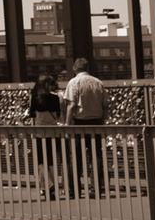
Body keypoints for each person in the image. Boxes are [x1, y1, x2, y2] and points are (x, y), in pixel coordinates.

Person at [62, 59, 107, 199]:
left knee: (75, 157)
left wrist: (67, 125)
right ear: (88, 67)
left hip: (79, 123)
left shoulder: (74, 82)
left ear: (75, 68)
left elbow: (71, 106)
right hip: (96, 122)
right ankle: (97, 188)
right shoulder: (98, 82)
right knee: (96, 156)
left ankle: (73, 190)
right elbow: (105, 106)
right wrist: (103, 121)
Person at [27, 74, 63, 201]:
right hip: (53, 132)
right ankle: (50, 186)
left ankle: (47, 185)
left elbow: (31, 115)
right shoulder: (55, 98)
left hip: (39, 133)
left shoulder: (35, 98)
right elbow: (58, 116)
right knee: (52, 161)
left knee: (41, 162)